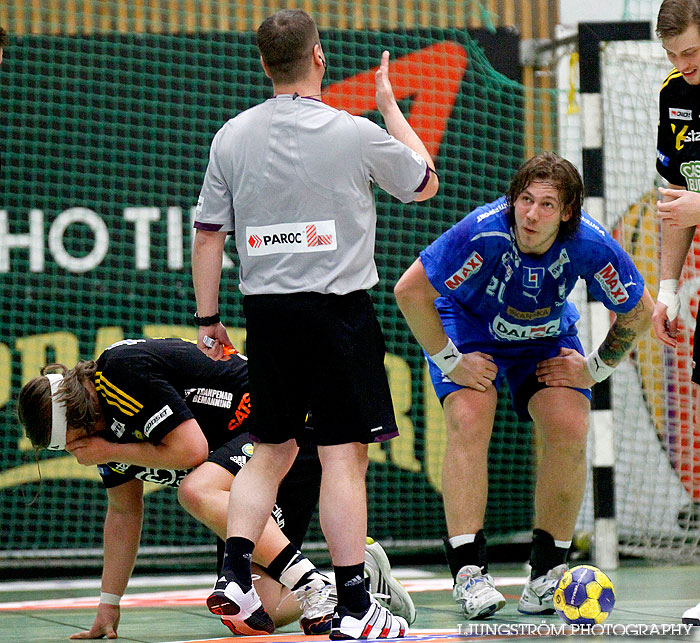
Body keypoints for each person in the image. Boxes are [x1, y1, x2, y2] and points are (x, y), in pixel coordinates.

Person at [191, 8, 437, 640]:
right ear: (319, 57)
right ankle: (356, 606)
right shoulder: (352, 132)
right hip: (336, 317)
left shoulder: (230, 136)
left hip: (266, 317)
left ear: (265, 63)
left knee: (269, 452)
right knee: (342, 458)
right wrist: (388, 106)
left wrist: (209, 319)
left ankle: (235, 578)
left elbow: (208, 234)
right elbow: (424, 184)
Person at [394, 152, 654, 619]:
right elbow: (409, 292)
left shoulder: (589, 244)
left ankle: (547, 575)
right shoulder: (483, 231)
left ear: (568, 212)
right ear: (513, 200)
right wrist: (450, 360)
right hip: (469, 327)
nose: (532, 214)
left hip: (544, 336)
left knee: (571, 426)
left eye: (547, 204)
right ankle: (469, 574)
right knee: (471, 416)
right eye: (525, 200)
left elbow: (639, 312)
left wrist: (594, 368)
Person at [17, 338, 335, 638]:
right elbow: (123, 512)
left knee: (195, 490)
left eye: (70, 445)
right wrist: (108, 603)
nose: (76, 454)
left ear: (78, 420)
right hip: (243, 456)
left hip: (280, 425)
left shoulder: (118, 373)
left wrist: (108, 452)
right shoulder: (104, 430)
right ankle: (354, 578)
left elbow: (191, 451)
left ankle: (311, 584)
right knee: (262, 606)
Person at [653, 0, 700, 531]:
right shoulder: (674, 92)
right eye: (672, 54)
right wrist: (667, 289)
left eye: (690, 51)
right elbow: (676, 196)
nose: (683, 63)